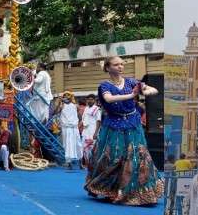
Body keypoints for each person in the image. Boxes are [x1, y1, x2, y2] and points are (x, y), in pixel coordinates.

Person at [84, 56, 164, 205]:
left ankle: (136, 193)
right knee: (114, 156)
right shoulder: (104, 86)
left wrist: (145, 91)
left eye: (122, 64)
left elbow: (154, 90)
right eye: (116, 64)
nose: (120, 67)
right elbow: (108, 99)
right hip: (113, 124)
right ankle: (111, 189)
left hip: (133, 123)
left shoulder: (131, 82)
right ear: (108, 68)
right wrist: (132, 95)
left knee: (136, 157)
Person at [59, 91, 83, 169]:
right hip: (66, 128)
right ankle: (69, 163)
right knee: (67, 145)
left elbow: (80, 116)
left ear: (71, 97)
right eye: (65, 96)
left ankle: (80, 163)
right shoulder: (61, 106)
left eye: (68, 96)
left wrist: (79, 123)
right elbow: (55, 112)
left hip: (74, 128)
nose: (66, 97)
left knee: (78, 144)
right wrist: (60, 102)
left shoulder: (75, 106)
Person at [81, 93, 101, 164]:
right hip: (85, 130)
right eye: (88, 99)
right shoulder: (86, 108)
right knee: (84, 147)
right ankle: (87, 163)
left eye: (91, 99)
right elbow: (83, 119)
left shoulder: (97, 109)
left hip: (93, 130)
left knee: (92, 147)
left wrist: (96, 132)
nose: (89, 101)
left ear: (94, 100)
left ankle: (93, 163)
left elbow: (98, 121)